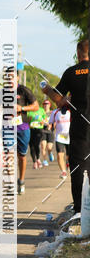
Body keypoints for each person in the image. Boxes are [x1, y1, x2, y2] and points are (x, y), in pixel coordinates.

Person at [41, 38, 90, 213]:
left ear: (78, 54)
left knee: (79, 167)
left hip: (80, 127)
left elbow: (59, 100)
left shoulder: (71, 72)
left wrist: (47, 90)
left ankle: (80, 211)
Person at [49, 103, 71, 178]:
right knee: (59, 154)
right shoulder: (55, 112)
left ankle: (68, 162)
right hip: (59, 137)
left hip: (69, 137)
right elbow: (50, 123)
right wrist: (50, 127)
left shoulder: (70, 111)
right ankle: (63, 172)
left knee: (69, 156)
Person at [28, 101, 46, 170]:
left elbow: (45, 118)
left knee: (36, 144)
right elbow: (26, 119)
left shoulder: (41, 110)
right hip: (31, 129)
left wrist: (43, 121)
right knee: (31, 146)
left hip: (39, 130)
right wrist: (28, 122)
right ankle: (34, 162)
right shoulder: (29, 111)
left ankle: (38, 158)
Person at [39, 98, 54, 166]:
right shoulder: (41, 112)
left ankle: (50, 153)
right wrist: (40, 122)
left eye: (47, 104)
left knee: (49, 147)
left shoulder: (52, 113)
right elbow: (38, 120)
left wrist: (51, 125)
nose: (46, 105)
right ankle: (45, 160)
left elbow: (55, 121)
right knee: (43, 146)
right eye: (44, 104)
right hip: (43, 130)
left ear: (49, 105)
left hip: (50, 131)